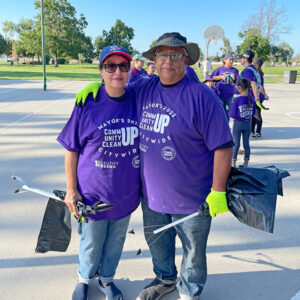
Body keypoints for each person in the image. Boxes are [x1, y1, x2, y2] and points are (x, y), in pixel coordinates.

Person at [75, 32, 233, 300]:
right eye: (162, 54)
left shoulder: (202, 97)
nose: (168, 61)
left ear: (186, 60)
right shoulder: (145, 88)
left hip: (193, 198)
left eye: (175, 55)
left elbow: (224, 146)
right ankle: (166, 279)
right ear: (154, 59)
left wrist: (218, 190)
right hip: (152, 195)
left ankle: (189, 291)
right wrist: (97, 88)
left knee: (193, 251)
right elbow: (117, 86)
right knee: (158, 245)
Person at [57, 45, 140, 300]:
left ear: (130, 70)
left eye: (123, 66)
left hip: (125, 195)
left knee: (115, 244)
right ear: (101, 71)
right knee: (91, 244)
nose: (117, 71)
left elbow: (177, 77)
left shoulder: (139, 99)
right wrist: (72, 190)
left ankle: (106, 280)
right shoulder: (87, 104)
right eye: (110, 66)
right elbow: (71, 150)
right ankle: (84, 279)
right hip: (92, 196)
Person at [229, 78, 256, 167]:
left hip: (238, 123)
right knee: (246, 144)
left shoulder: (237, 100)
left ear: (239, 88)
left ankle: (233, 162)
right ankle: (246, 162)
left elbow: (232, 114)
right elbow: (254, 113)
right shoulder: (252, 99)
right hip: (248, 123)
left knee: (236, 143)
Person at [212, 53, 239, 120]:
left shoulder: (235, 70)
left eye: (232, 60)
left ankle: (226, 128)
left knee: (227, 113)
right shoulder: (219, 69)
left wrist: (233, 79)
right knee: (219, 113)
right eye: (230, 60)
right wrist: (221, 77)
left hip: (229, 96)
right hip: (219, 95)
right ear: (225, 60)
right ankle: (219, 128)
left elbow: (237, 82)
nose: (231, 61)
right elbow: (211, 77)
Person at [251, 57, 269, 138]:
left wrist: (265, 95)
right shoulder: (255, 73)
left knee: (257, 114)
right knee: (253, 114)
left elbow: (261, 87)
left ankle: (258, 132)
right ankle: (252, 130)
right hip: (253, 96)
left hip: (258, 97)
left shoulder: (258, 75)